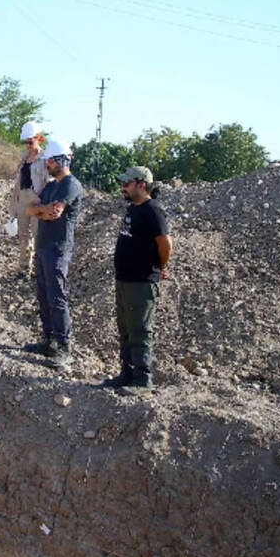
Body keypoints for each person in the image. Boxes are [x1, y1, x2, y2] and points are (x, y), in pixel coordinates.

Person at [108, 166, 172, 396]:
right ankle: (126, 374)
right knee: (125, 328)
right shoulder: (132, 209)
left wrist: (160, 267)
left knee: (140, 330)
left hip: (141, 281)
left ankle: (142, 380)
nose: (122, 187)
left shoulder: (152, 210)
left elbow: (165, 245)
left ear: (141, 184)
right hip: (124, 279)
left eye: (127, 183)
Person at [24, 139, 83, 368]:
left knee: (57, 298)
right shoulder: (50, 186)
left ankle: (64, 347)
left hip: (58, 248)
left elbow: (55, 214)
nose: (46, 164)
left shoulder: (70, 185)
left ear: (60, 160)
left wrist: (42, 211)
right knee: (44, 295)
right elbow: (31, 208)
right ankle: (48, 340)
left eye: (49, 160)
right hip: (43, 246)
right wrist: (41, 210)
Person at [10, 121, 50, 280]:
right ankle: (24, 269)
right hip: (23, 199)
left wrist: (43, 204)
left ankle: (40, 270)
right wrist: (13, 207)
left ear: (38, 138)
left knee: (38, 235)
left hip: (37, 200)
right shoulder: (24, 159)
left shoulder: (46, 159)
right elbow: (18, 184)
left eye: (30, 141)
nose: (27, 145)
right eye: (25, 142)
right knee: (23, 236)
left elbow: (48, 183)